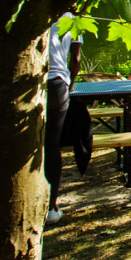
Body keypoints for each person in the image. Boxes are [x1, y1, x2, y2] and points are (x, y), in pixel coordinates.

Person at [45, 12, 83, 225]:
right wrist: (70, 85)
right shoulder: (74, 18)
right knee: (51, 145)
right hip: (57, 81)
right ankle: (51, 207)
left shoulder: (28, 2)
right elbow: (75, 60)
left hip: (27, 79)